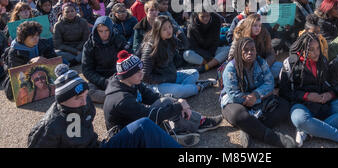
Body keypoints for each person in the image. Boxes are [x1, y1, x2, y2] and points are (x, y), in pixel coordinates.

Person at [28, 64, 180, 148]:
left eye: (85, 95)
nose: (84, 101)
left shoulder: (85, 102)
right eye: (77, 98)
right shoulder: (49, 127)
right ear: (62, 100)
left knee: (144, 126)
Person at [103, 51, 223, 147]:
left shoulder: (131, 81)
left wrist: (176, 101)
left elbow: (152, 97)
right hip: (128, 136)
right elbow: (148, 116)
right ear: (127, 75)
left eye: (141, 70)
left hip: (136, 121)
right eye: (137, 72)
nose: (142, 74)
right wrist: (178, 106)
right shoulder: (121, 99)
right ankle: (179, 131)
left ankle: (189, 126)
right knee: (169, 107)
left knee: (166, 101)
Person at [279, 32, 338, 148]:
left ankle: (310, 132)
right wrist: (306, 96)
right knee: (300, 120)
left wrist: (329, 94)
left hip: (324, 104)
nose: (316, 53)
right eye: (311, 50)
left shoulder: (323, 61)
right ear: (302, 49)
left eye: (318, 48)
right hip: (302, 105)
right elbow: (284, 92)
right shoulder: (290, 64)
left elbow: (331, 84)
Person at [220, 37, 296, 148]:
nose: (250, 52)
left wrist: (255, 95)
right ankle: (273, 138)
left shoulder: (261, 62)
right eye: (245, 50)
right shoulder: (231, 68)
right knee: (239, 115)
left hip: (257, 98)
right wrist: (252, 98)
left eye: (252, 49)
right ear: (239, 51)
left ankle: (248, 129)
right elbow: (233, 94)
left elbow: (269, 83)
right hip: (236, 102)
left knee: (284, 105)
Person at [139, 16, 215, 99]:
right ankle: (199, 87)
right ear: (157, 31)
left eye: (170, 27)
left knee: (194, 73)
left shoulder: (169, 39)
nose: (169, 31)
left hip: (171, 76)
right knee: (179, 91)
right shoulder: (150, 48)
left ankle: (184, 89)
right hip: (157, 84)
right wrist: (165, 78)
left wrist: (178, 31)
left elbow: (185, 45)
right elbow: (145, 76)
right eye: (164, 29)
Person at [2, 21, 57, 101]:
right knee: (14, 93)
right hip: (22, 78)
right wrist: (30, 63)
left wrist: (46, 60)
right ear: (23, 38)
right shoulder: (14, 51)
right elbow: (16, 74)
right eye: (32, 36)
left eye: (37, 35)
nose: (36, 39)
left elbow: (54, 60)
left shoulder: (43, 43)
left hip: (42, 75)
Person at [82, 16, 128, 104]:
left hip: (118, 76)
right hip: (99, 79)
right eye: (100, 31)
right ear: (95, 30)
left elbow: (128, 59)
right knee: (88, 92)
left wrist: (119, 77)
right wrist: (103, 81)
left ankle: (117, 96)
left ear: (111, 29)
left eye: (107, 30)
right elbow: (87, 69)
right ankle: (119, 96)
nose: (104, 34)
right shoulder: (89, 45)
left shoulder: (119, 39)